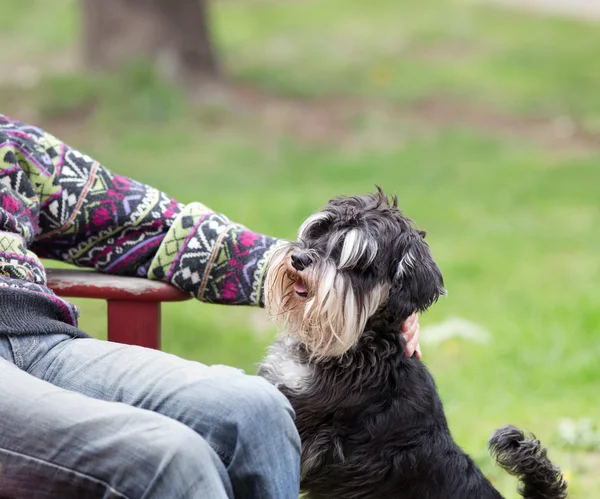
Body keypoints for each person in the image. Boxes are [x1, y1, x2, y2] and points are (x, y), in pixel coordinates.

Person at [0, 113, 421, 498]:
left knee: (258, 409)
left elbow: (152, 226)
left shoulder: (13, 147)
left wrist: (359, 281)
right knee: (170, 457)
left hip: (39, 336)